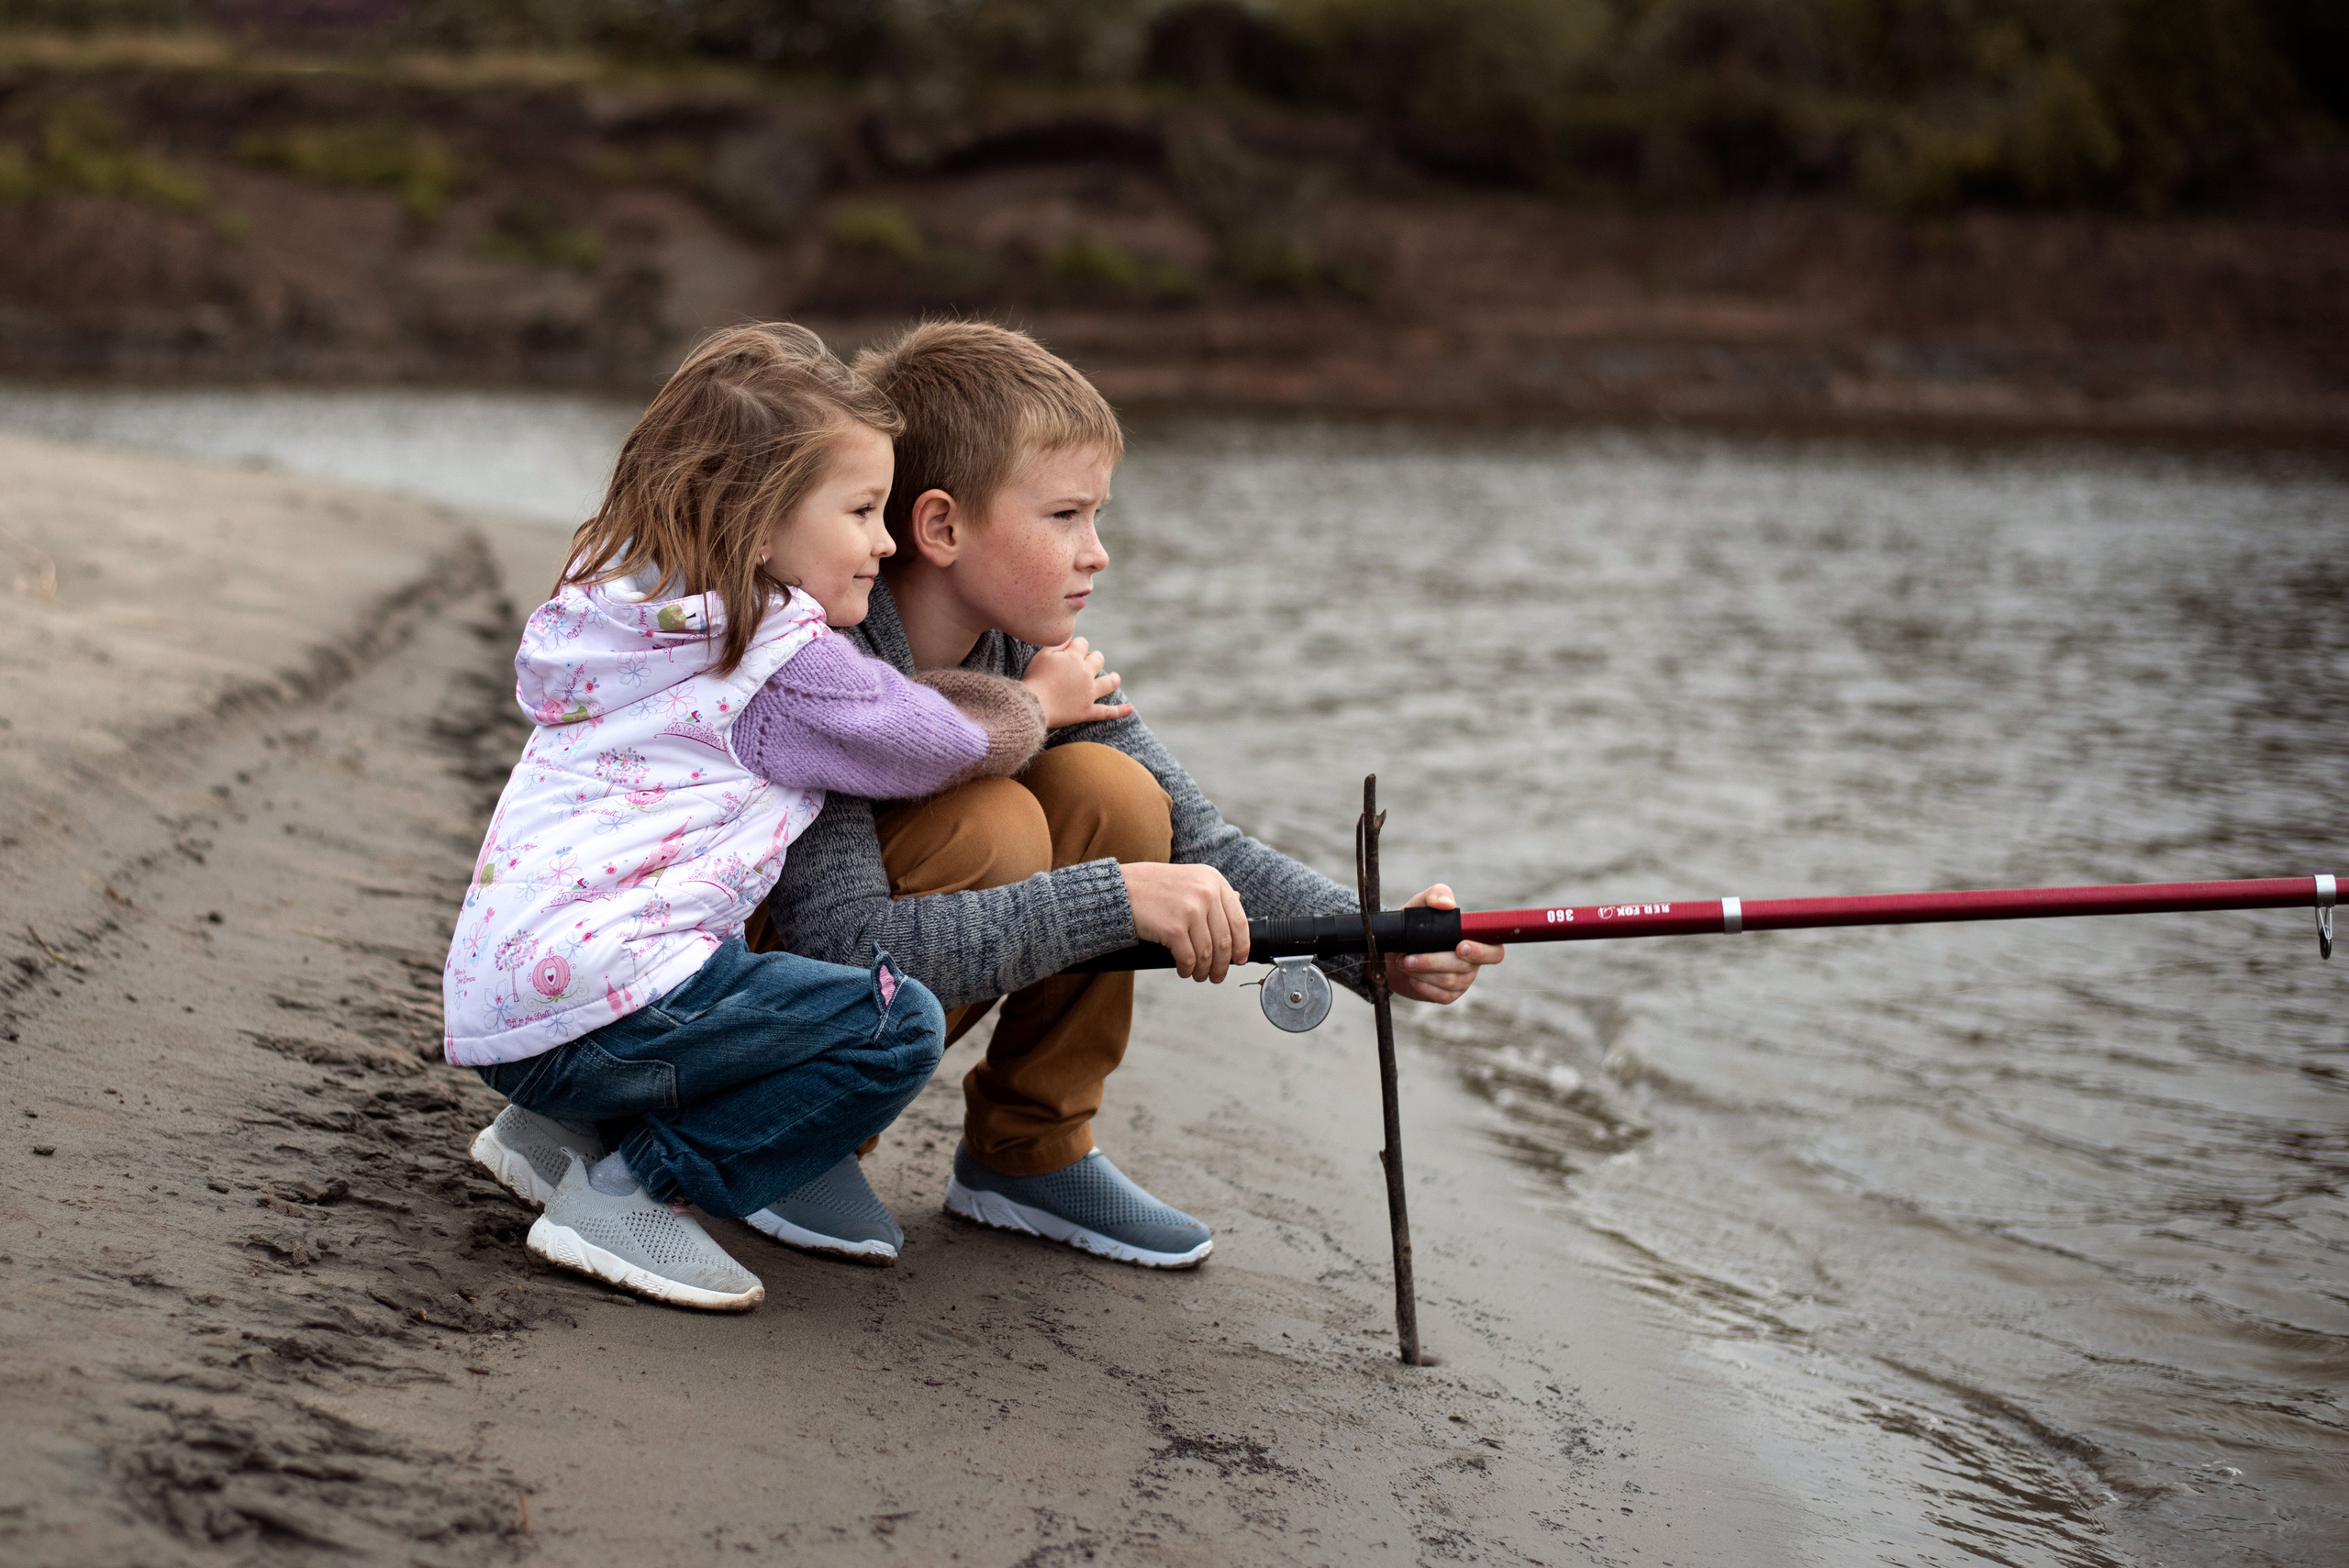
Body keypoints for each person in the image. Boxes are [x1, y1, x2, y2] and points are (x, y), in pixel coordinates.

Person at [753, 321, 1505, 1270]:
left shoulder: (1037, 658)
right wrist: (1114, 900)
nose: (1096, 551)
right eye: (1066, 515)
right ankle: (798, 1135)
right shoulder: (830, 660)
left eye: (1097, 516)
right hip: (756, 997)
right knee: (998, 826)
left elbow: (1204, 847)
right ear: (941, 526)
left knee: (1116, 795)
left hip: (872, 955)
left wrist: (1376, 944)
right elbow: (837, 939)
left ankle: (1028, 1151)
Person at [444, 323, 1108, 1309]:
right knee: (891, 1023)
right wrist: (1038, 706)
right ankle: (632, 1191)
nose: (881, 541)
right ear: (758, 524)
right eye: (859, 510)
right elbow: (920, 738)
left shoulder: (632, 612)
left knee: (714, 970)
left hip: (509, 1010)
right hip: (618, 1002)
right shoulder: (774, 651)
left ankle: (551, 1136)